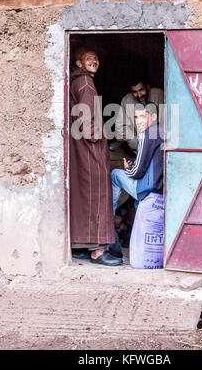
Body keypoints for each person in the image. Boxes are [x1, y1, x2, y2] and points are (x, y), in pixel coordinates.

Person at [69, 47, 122, 266]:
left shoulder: (76, 81)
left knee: (84, 196)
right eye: (90, 58)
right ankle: (98, 251)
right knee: (98, 194)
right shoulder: (86, 84)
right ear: (79, 63)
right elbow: (86, 117)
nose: (95, 61)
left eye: (96, 59)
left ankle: (80, 247)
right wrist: (97, 138)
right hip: (90, 149)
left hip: (79, 147)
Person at [111, 102, 164, 236]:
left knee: (115, 174)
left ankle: (108, 225)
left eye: (143, 117)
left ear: (153, 117)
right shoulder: (161, 131)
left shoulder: (146, 134)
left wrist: (128, 169)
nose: (139, 121)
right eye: (136, 117)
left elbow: (137, 172)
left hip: (148, 189)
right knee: (136, 203)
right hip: (160, 188)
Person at [115, 76, 164, 152]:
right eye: (134, 92)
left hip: (159, 148)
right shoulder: (127, 100)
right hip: (138, 150)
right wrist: (137, 144)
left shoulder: (159, 95)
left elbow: (168, 121)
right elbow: (121, 126)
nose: (139, 95)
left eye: (141, 90)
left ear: (147, 87)